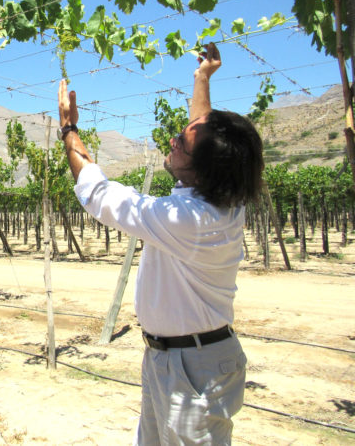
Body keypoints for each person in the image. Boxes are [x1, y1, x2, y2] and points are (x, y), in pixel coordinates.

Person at [57, 43, 264, 445]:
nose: (172, 140)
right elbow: (202, 128)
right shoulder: (223, 198)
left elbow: (98, 193)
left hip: (192, 368)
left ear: (203, 167)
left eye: (181, 143)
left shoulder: (186, 221)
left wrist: (68, 129)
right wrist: (202, 78)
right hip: (175, 358)